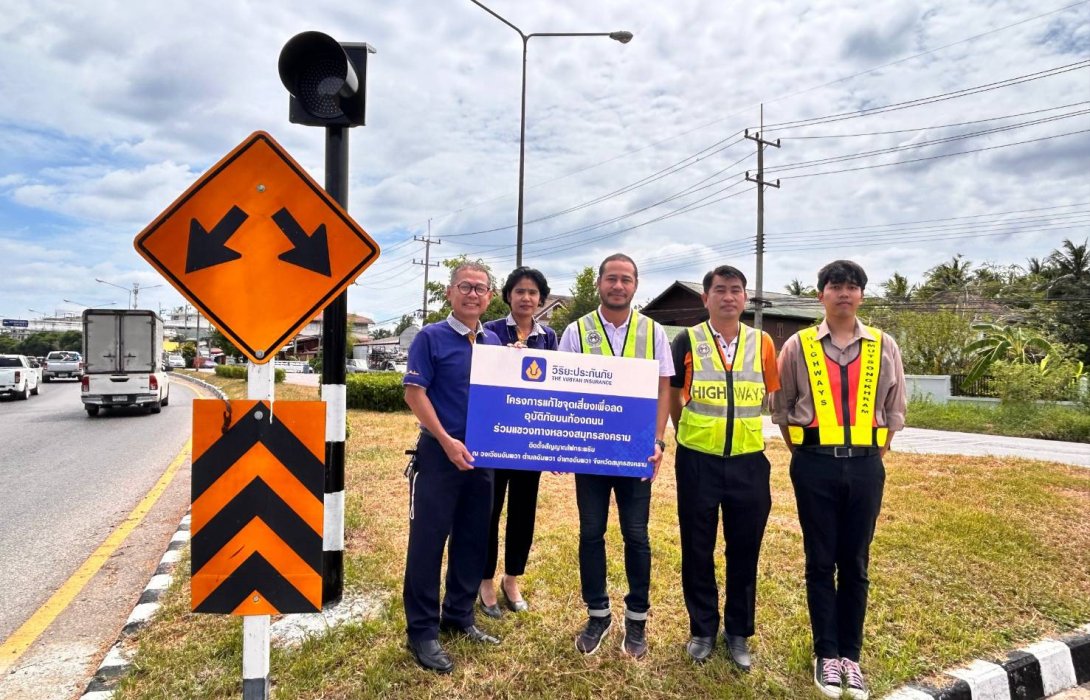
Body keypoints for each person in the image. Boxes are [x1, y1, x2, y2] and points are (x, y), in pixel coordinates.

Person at [772, 260, 906, 700]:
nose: (844, 293)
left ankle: (851, 655)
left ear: (862, 295)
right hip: (813, 464)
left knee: (855, 562)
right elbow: (782, 407)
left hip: (866, 466)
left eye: (852, 286)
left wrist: (871, 454)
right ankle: (826, 654)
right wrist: (807, 455)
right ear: (821, 295)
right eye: (835, 286)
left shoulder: (884, 345)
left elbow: (895, 409)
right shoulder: (798, 345)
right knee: (819, 560)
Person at [557, 253, 674, 659]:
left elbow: (663, 388)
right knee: (591, 533)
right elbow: (561, 389)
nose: (618, 286)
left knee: (636, 535)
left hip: (635, 452)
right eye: (611, 278)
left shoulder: (653, 331)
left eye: (626, 279)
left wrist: (658, 441)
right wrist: (563, 442)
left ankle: (637, 620)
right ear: (599, 284)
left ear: (635, 285)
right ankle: (598, 614)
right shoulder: (576, 331)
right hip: (591, 451)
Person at [668, 265, 780, 669]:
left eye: (736, 290)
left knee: (745, 550)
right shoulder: (687, 339)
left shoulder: (762, 342)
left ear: (745, 298)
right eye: (720, 290)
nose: (728, 297)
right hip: (697, 461)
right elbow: (674, 396)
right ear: (706, 298)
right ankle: (702, 629)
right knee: (697, 548)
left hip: (749, 463)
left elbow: (771, 394)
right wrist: (690, 434)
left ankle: (738, 633)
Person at [401, 262, 504, 674]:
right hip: (439, 455)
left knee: (473, 539)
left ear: (489, 297)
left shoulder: (495, 343)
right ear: (449, 292)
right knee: (427, 544)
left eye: (481, 288)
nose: (473, 294)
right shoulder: (431, 337)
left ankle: (459, 615)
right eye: (465, 286)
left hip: (482, 458)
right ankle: (422, 632)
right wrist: (446, 440)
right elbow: (414, 393)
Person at [478, 267, 559, 618]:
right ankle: (485, 581)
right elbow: (481, 379)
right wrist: (505, 360)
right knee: (489, 511)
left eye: (533, 292)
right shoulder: (490, 331)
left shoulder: (549, 336)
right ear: (508, 295)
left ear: (541, 298)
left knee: (523, 512)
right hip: (495, 437)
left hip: (530, 440)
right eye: (520, 291)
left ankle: (511, 579)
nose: (526, 298)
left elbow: (555, 387)